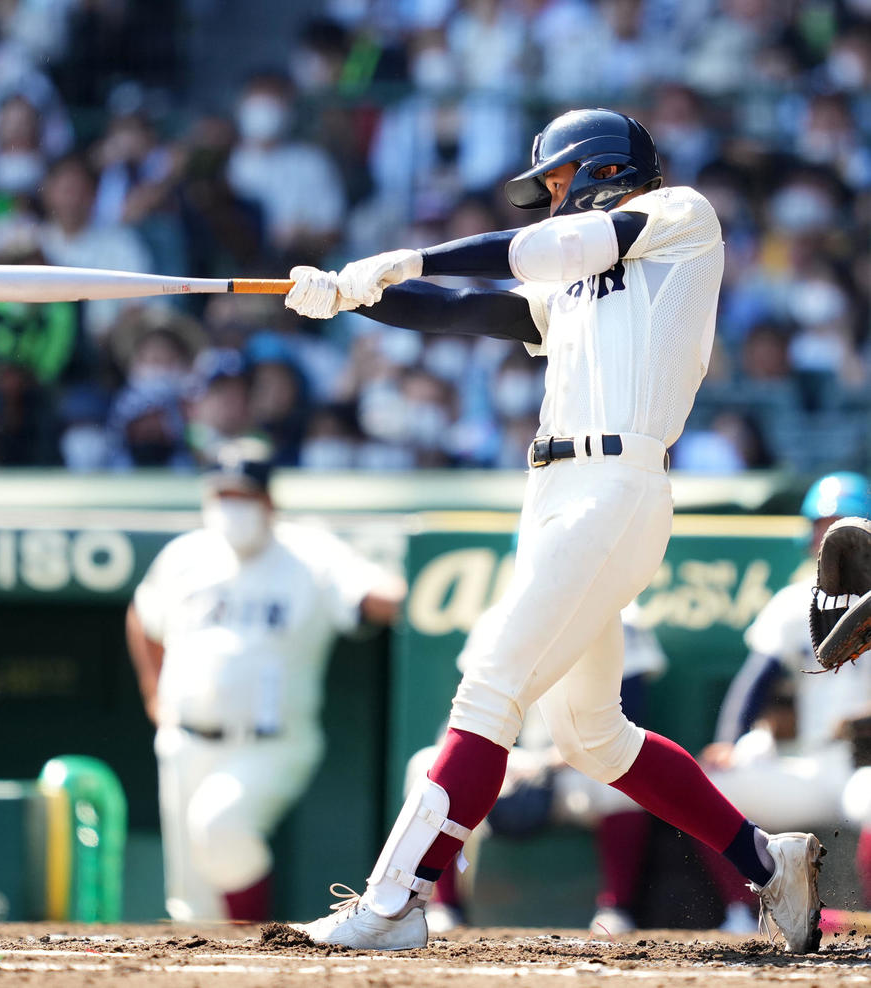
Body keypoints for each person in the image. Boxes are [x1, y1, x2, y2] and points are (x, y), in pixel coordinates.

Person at [282, 107, 823, 953]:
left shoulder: (681, 216)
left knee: (489, 689)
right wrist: (355, 294)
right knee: (591, 735)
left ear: (603, 170)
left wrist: (404, 255)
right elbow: (467, 308)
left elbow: (540, 249)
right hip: (557, 495)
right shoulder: (571, 289)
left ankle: (394, 900)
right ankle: (767, 860)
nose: (551, 201)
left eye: (560, 181)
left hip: (618, 483)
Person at [126, 443, 406, 922]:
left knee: (220, 825)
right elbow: (142, 616)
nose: (233, 506)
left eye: (245, 495)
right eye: (223, 494)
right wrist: (153, 691)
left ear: (269, 502)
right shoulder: (185, 556)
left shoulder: (310, 553)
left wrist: (420, 589)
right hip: (185, 739)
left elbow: (376, 595)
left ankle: (260, 943)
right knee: (191, 905)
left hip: (271, 742)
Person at [410, 603, 667, 937]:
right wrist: (504, 760)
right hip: (509, 759)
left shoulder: (620, 615)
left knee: (624, 778)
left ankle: (616, 908)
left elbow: (628, 719)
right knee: (425, 766)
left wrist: (547, 761)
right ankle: (442, 906)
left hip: (576, 762)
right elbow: (471, 708)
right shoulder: (496, 618)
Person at [700, 472, 871, 932]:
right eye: (825, 524)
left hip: (868, 768)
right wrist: (729, 740)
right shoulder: (796, 601)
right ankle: (751, 914)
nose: (834, 535)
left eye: (845, 523)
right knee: (711, 787)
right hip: (820, 760)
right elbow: (755, 680)